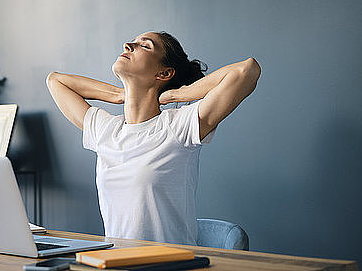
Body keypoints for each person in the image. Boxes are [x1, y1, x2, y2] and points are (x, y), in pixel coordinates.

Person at [46, 31, 261, 244]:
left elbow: (247, 70)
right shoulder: (106, 131)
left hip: (171, 264)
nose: (128, 45)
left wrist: (178, 94)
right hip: (117, 263)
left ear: (164, 73)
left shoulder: (178, 127)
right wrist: (119, 94)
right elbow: (55, 81)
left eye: (145, 45)